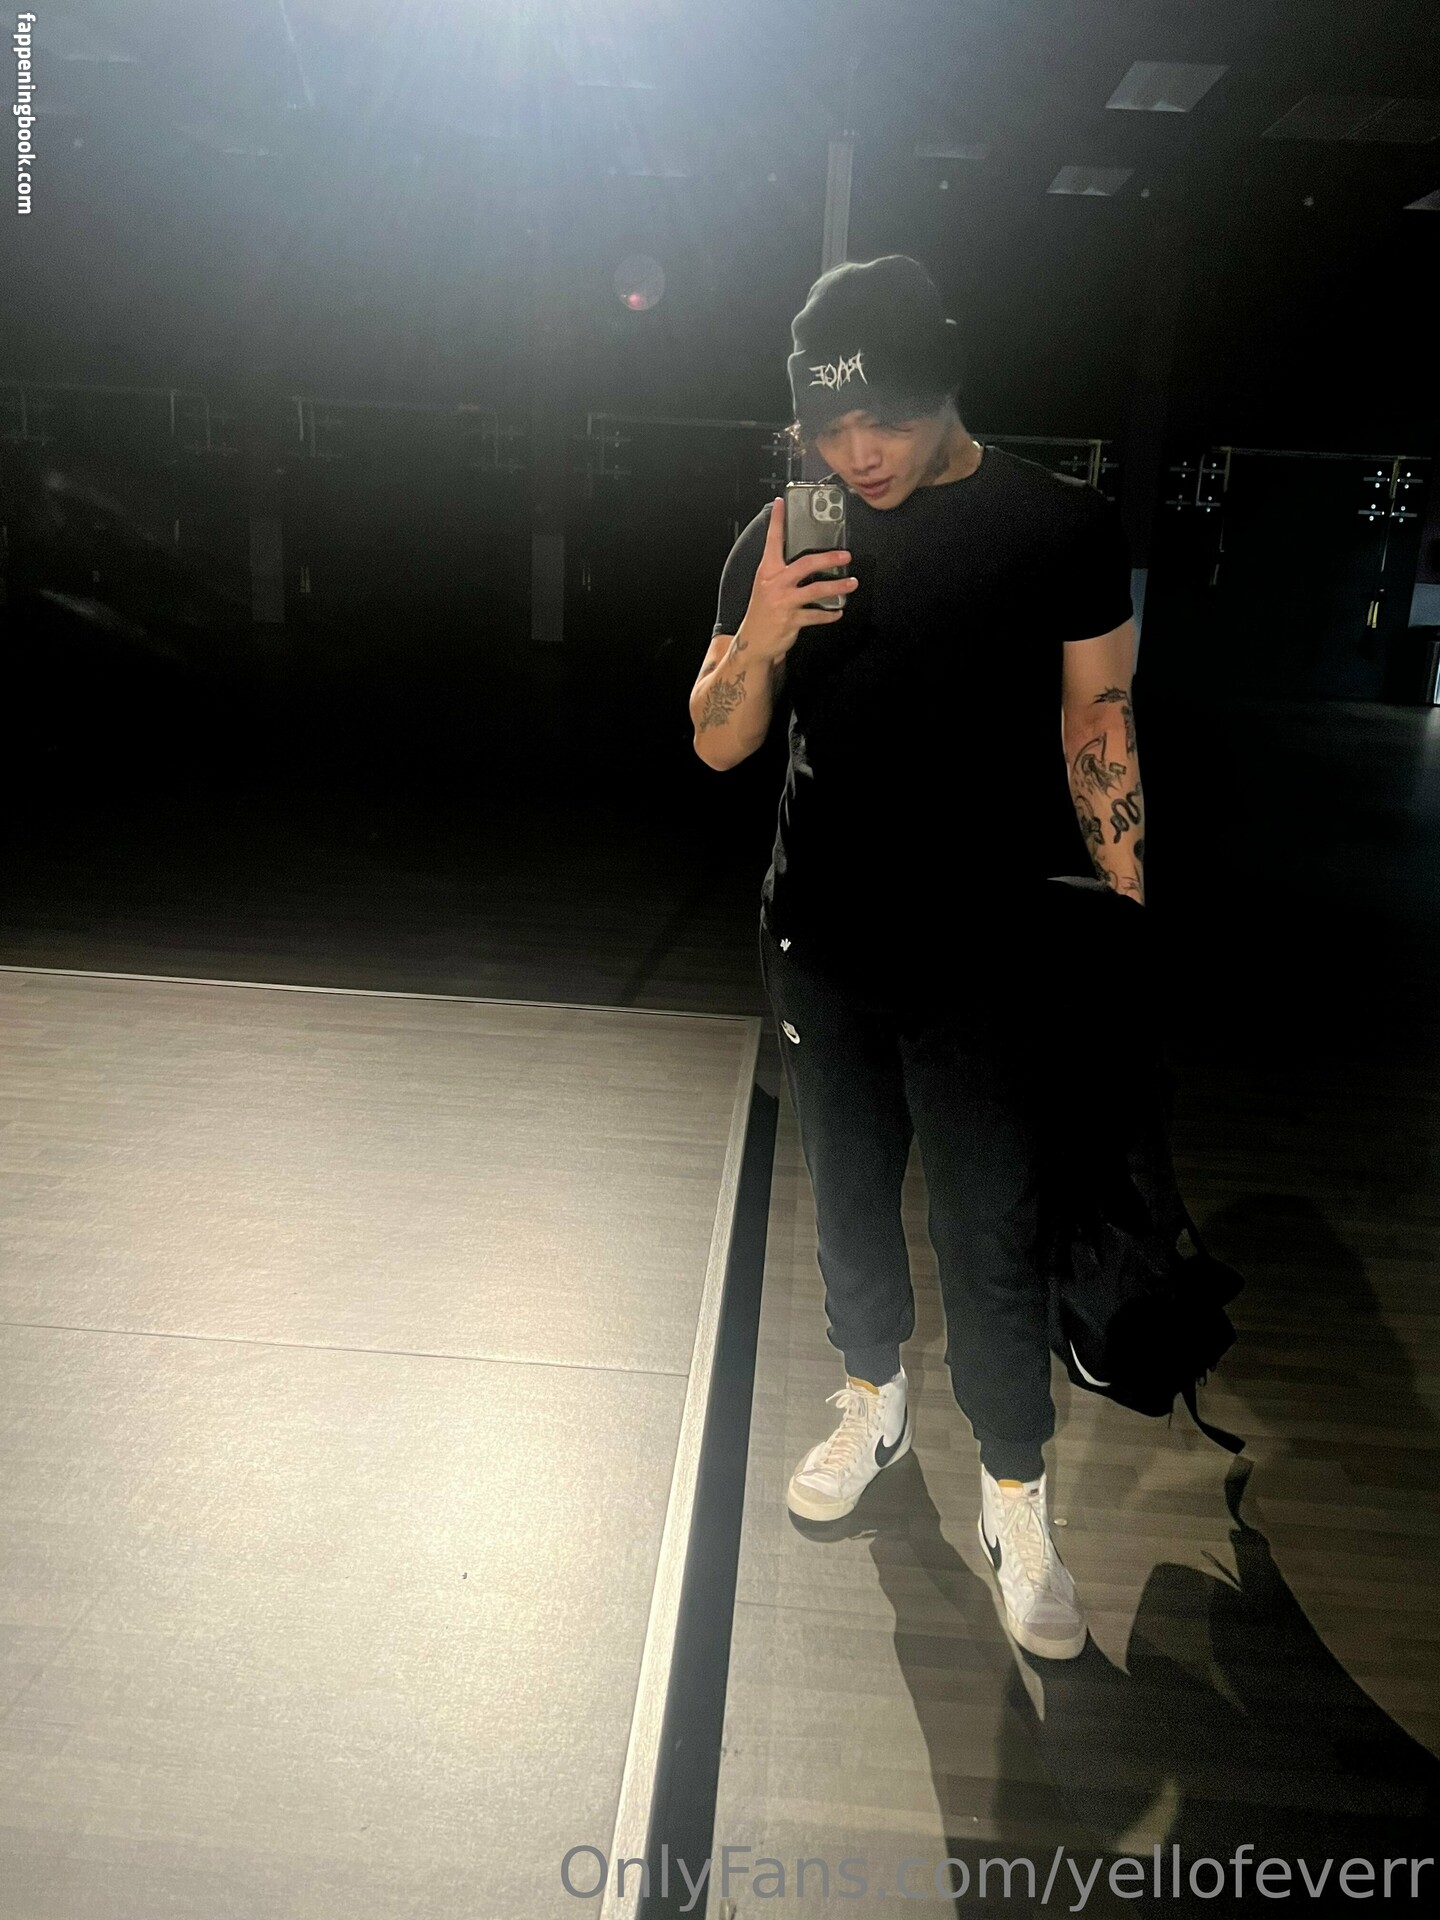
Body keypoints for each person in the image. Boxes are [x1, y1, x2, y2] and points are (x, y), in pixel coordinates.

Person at [688, 254, 1143, 1662]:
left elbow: (1098, 721)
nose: (859, 452)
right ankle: (874, 1399)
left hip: (987, 956)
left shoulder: (1060, 526)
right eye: (829, 427)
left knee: (989, 1230)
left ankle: (1015, 1489)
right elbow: (717, 740)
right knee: (845, 1204)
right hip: (820, 940)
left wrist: (1132, 905)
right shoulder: (784, 535)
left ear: (944, 385)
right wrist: (764, 633)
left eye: (882, 416)